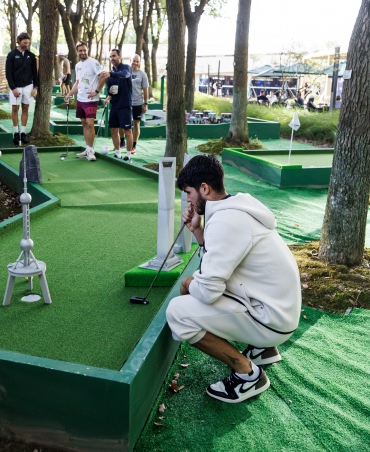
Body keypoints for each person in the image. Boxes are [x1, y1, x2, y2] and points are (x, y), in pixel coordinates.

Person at [166, 155, 301, 403]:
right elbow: (221, 261)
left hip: (272, 319)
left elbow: (207, 292)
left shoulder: (226, 221)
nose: (188, 200)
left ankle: (248, 374)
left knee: (178, 312)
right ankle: (261, 348)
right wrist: (197, 230)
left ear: (204, 188)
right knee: (201, 282)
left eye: (188, 193)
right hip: (277, 309)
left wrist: (187, 284)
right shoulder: (237, 208)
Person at [65, 41, 109, 161]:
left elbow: (104, 75)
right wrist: (69, 94)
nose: (83, 52)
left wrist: (96, 91)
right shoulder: (78, 65)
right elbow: (78, 83)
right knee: (84, 124)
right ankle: (88, 149)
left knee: (90, 124)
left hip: (91, 99)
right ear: (77, 51)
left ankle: (91, 151)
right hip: (80, 99)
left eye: (85, 50)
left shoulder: (94, 62)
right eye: (80, 50)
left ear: (87, 50)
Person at [6, 32, 39, 146]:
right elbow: (8, 73)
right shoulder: (11, 55)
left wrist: (35, 87)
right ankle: (16, 133)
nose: (27, 44)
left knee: (25, 108)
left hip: (28, 86)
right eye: (25, 42)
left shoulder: (31, 55)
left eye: (28, 42)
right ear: (19, 41)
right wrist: (13, 88)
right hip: (16, 86)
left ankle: (23, 133)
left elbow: (35, 73)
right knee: (15, 109)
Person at [103, 48, 133, 160]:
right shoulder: (111, 74)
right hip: (114, 105)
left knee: (127, 131)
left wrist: (111, 74)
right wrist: (108, 96)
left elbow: (125, 75)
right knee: (113, 130)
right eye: (110, 56)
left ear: (119, 56)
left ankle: (129, 155)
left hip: (125, 105)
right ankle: (117, 153)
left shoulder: (126, 68)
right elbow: (109, 90)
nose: (112, 58)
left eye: (114, 56)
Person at [129, 54, 149, 155]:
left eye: (137, 61)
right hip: (126, 103)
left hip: (138, 103)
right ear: (130, 60)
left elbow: (145, 90)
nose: (135, 63)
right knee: (124, 124)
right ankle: (123, 143)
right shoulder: (126, 72)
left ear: (139, 62)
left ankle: (133, 146)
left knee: (136, 124)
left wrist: (145, 103)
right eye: (134, 61)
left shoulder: (142, 74)